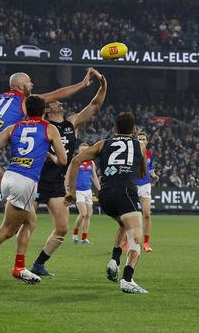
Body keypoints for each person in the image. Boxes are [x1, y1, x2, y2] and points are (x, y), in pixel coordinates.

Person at [0, 70, 94, 262]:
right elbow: (60, 93)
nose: (32, 85)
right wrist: (82, 84)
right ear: (21, 86)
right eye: (29, 83)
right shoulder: (24, 102)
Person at [0, 95, 68, 284]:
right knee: (8, 230)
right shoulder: (49, 128)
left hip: (9, 177)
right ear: (44, 111)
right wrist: (50, 155)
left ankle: (20, 267)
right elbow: (63, 160)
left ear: (26, 110)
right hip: (26, 181)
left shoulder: (14, 127)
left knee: (30, 222)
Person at [31, 71, 106, 276]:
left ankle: (38, 264)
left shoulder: (70, 124)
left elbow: (94, 106)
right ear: (47, 109)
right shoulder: (41, 125)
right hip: (36, 180)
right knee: (22, 223)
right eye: (56, 102)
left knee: (62, 229)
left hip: (56, 184)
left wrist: (103, 86)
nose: (61, 103)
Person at [66, 112, 148, 294]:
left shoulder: (102, 143)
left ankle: (114, 260)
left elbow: (76, 160)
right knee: (136, 237)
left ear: (115, 129)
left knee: (124, 224)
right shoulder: (139, 145)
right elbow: (142, 174)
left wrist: (71, 192)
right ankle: (127, 279)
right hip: (126, 192)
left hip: (105, 195)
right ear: (134, 130)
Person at [71, 146, 100, 244]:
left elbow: (94, 177)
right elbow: (71, 176)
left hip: (88, 191)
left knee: (88, 215)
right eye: (82, 150)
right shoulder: (76, 161)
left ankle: (84, 238)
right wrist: (70, 189)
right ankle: (75, 235)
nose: (84, 151)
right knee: (83, 214)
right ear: (79, 151)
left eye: (86, 150)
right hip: (79, 191)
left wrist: (100, 189)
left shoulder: (91, 162)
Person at [136, 131, 158, 252]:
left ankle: (146, 243)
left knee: (147, 214)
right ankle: (126, 242)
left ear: (147, 141)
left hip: (145, 185)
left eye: (144, 139)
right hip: (133, 185)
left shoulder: (149, 154)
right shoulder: (132, 153)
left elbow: (150, 168)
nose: (141, 141)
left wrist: (154, 176)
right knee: (129, 216)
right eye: (139, 139)